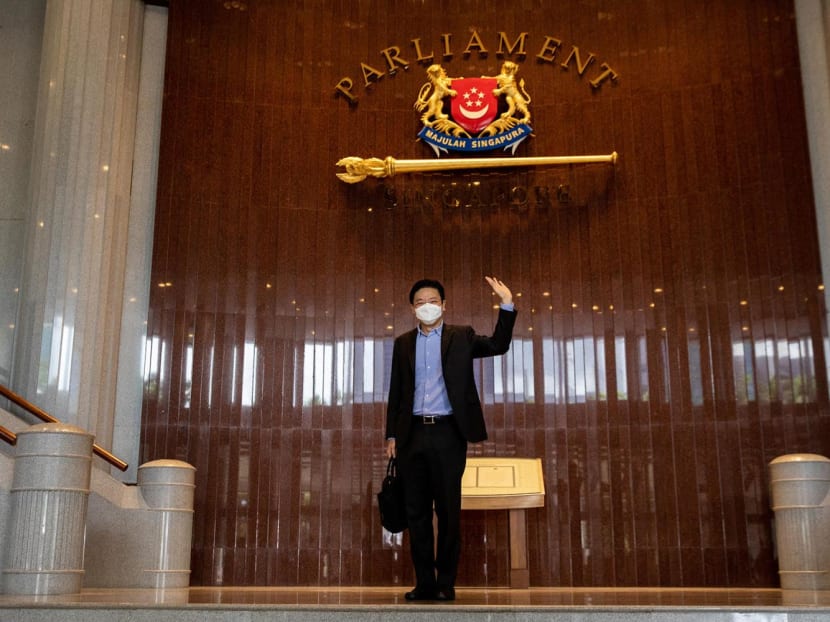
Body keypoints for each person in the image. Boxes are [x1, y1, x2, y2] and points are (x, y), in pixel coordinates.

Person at [385, 276, 517, 602]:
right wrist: (391, 434)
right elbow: (396, 392)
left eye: (432, 301)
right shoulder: (403, 343)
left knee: (448, 511)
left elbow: (498, 345)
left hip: (448, 434)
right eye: (420, 302)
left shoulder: (462, 336)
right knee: (416, 513)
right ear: (412, 309)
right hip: (412, 435)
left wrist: (507, 304)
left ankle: (445, 583)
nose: (426, 306)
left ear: (443, 305)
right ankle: (424, 584)